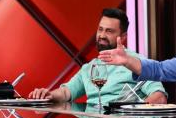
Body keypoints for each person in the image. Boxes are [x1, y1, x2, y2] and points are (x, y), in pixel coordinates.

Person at [29, 8, 166, 106]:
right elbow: (65, 93)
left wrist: (135, 114)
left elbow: (159, 97)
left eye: (109, 31)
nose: (102, 35)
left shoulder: (137, 63)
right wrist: (48, 95)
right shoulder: (89, 68)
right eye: (100, 29)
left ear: (123, 37)